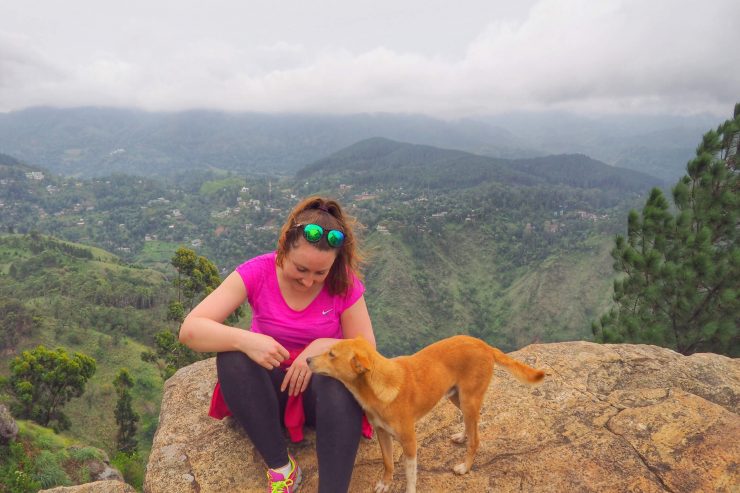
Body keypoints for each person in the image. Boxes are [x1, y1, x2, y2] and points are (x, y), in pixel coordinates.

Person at [179, 196, 376, 493]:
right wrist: (246, 339)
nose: (309, 281)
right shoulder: (258, 271)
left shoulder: (343, 283)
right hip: (266, 392)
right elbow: (191, 330)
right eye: (301, 269)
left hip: (318, 395)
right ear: (284, 245)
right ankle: (282, 469)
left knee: (341, 382)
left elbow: (367, 351)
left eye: (320, 273)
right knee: (233, 358)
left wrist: (321, 346)